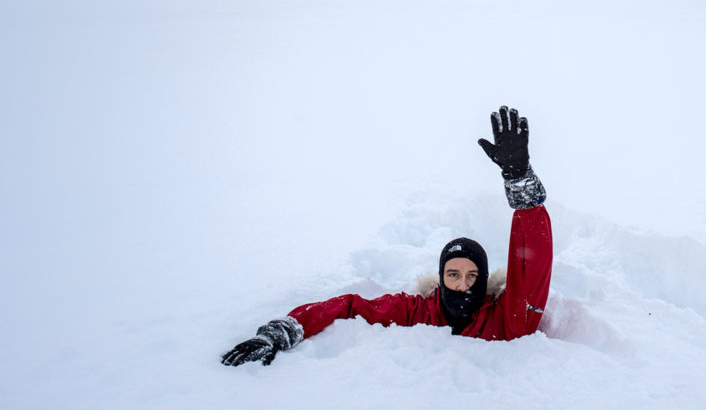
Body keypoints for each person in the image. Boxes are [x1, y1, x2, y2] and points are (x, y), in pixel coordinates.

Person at [221, 106, 552, 367]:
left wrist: (520, 180)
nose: (463, 285)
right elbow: (349, 306)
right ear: (441, 278)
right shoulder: (418, 312)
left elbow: (532, 265)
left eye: (471, 276)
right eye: (453, 274)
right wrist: (285, 329)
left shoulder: (508, 318)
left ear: (483, 281)